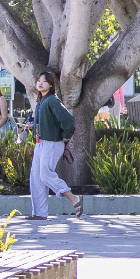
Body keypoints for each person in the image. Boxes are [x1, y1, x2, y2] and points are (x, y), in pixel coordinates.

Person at [28, 70, 83, 219]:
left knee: (45, 175)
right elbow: (44, 122)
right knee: (36, 178)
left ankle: (74, 198)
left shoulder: (52, 100)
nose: (40, 82)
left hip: (52, 144)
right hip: (41, 144)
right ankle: (39, 213)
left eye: (44, 81)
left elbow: (69, 121)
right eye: (39, 80)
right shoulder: (41, 101)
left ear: (51, 84)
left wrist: (65, 137)